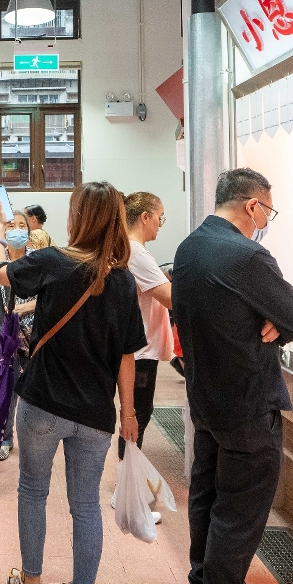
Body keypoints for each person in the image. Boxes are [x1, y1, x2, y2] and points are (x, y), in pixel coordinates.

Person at [0, 182, 144, 584]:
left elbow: (0, 273)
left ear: (78, 218)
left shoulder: (54, 261)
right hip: (95, 414)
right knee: (86, 505)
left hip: (43, 402)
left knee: (33, 491)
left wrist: (1, 228)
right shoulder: (123, 280)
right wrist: (129, 413)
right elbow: (127, 355)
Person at [172, 168, 293, 584]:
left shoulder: (189, 247)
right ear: (252, 205)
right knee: (240, 510)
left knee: (208, 496)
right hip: (248, 403)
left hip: (205, 398)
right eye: (267, 211)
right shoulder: (248, 255)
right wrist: (275, 323)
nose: (266, 221)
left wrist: (270, 322)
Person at [120, 192, 173, 461]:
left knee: (139, 412)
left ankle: (127, 471)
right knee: (136, 415)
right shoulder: (136, 252)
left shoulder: (131, 250)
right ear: (145, 217)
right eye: (159, 217)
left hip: (141, 347)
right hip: (140, 350)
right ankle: (126, 475)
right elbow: (170, 298)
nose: (160, 224)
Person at [0, 210, 36, 461]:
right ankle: (5, 438)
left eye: (22, 225)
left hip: (35, 336)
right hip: (7, 337)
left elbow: (50, 297)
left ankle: (32, 440)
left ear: (28, 234)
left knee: (32, 393)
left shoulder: (38, 260)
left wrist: (24, 307)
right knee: (6, 390)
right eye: (11, 226)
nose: (16, 230)